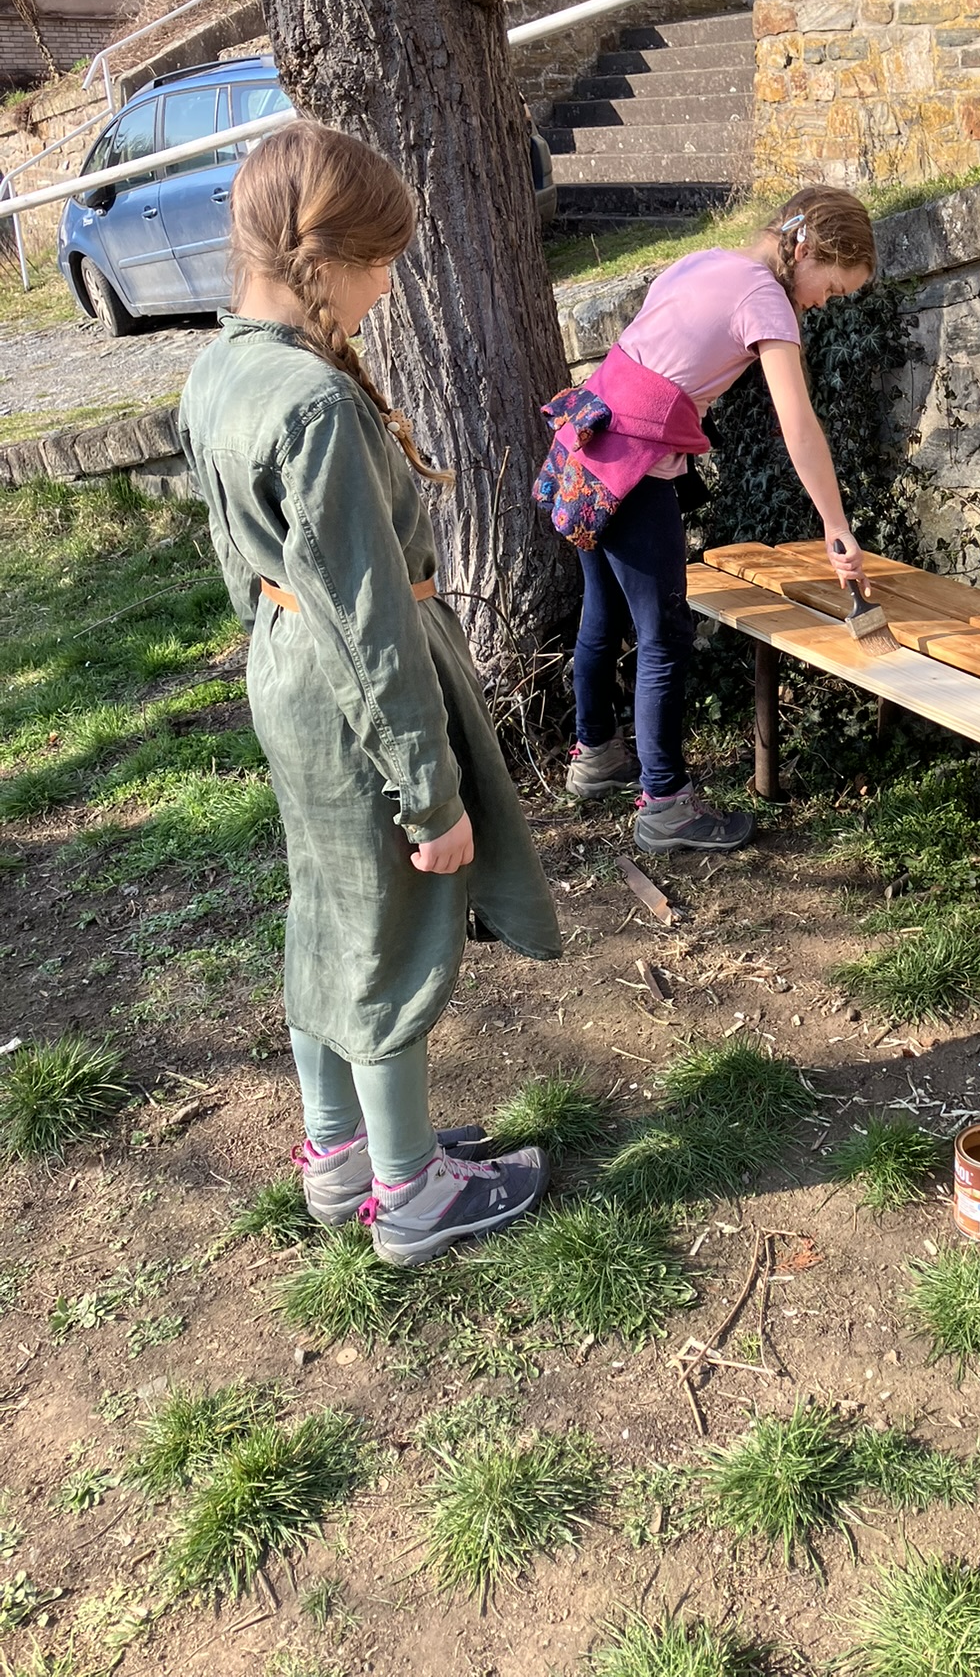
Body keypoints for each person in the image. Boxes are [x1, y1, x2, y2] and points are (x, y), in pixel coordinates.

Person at [178, 122, 563, 1268]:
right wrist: (427, 791)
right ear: (324, 258)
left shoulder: (223, 365)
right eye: (383, 261)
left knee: (328, 910)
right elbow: (368, 618)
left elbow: (240, 561)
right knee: (392, 929)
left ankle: (339, 1151)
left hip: (290, 674)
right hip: (354, 693)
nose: (390, 285)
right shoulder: (314, 403)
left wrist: (272, 648)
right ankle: (410, 1194)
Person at [545, 185, 877, 854]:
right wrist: (836, 525)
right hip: (633, 468)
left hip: (585, 447)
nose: (824, 303)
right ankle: (666, 806)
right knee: (664, 635)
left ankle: (596, 756)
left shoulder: (706, 261)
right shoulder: (766, 299)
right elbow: (798, 425)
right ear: (805, 252)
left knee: (603, 613)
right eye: (833, 288)